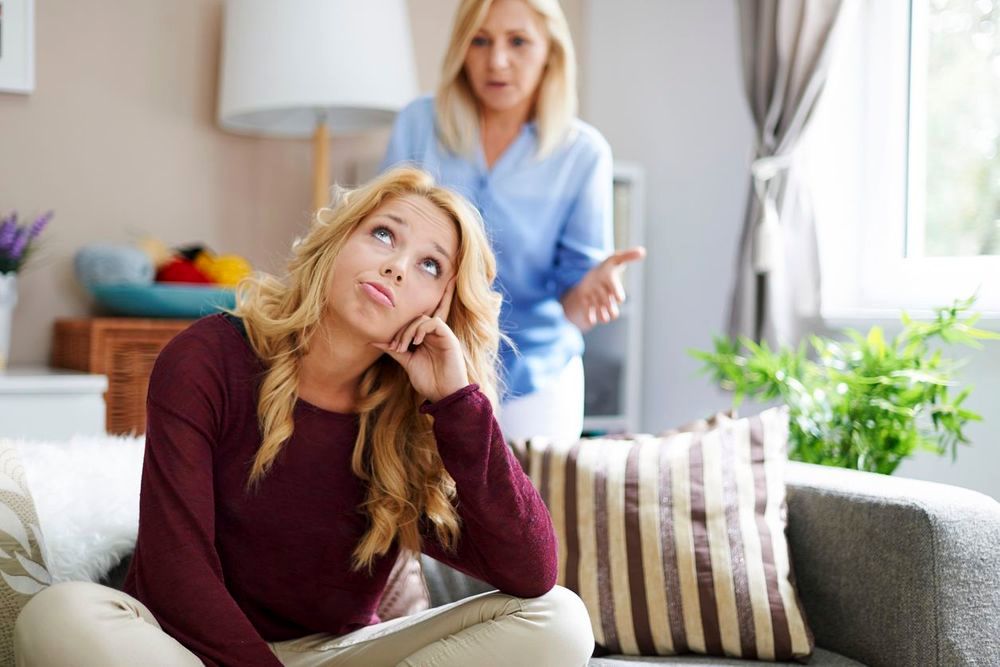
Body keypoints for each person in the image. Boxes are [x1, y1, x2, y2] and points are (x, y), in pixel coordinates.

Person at [13, 167, 594, 667]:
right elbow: (176, 572)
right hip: (181, 648)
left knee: (559, 619)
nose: (397, 267)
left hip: (331, 653)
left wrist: (458, 402)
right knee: (59, 615)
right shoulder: (208, 358)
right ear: (337, 242)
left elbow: (531, 571)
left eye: (429, 266)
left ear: (440, 307)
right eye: (384, 234)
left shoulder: (419, 421)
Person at [381, 0, 645, 442]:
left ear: (550, 52)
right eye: (480, 41)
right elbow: (384, 237)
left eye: (518, 42)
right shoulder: (418, 123)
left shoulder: (583, 154)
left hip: (534, 380)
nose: (497, 61)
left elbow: (574, 306)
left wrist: (592, 289)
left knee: (524, 491)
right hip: (418, 362)